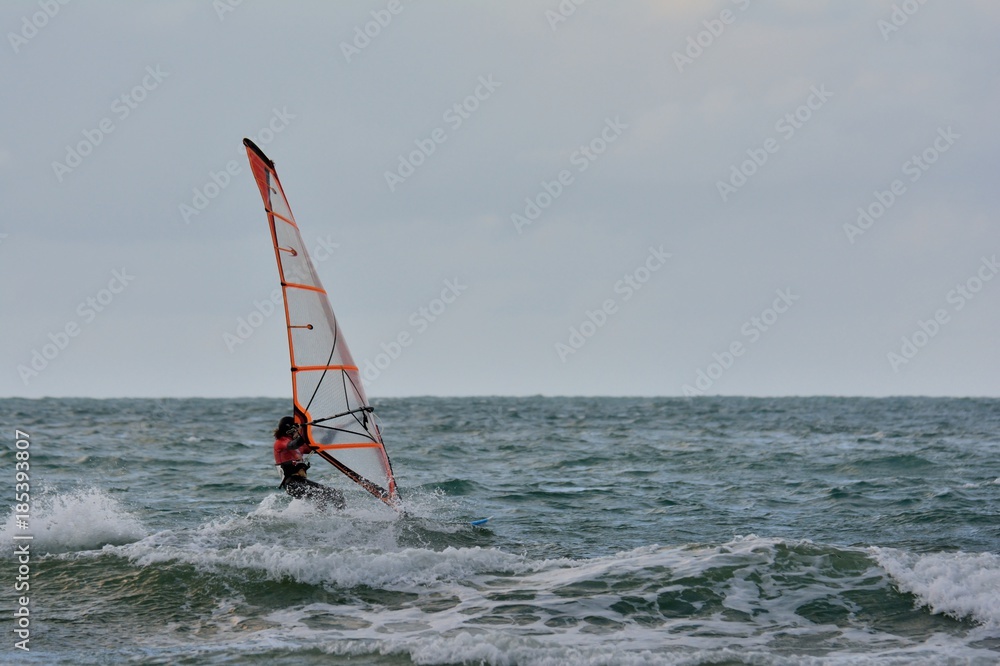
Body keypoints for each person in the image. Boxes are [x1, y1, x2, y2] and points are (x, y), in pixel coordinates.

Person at [272, 416, 345, 510]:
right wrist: (305, 430)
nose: (298, 431)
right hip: (292, 484)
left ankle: (335, 518)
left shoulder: (300, 448)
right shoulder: (281, 442)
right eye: (297, 429)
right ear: (291, 430)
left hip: (300, 482)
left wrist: (333, 432)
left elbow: (320, 447)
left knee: (336, 495)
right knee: (321, 496)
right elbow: (293, 445)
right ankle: (322, 519)